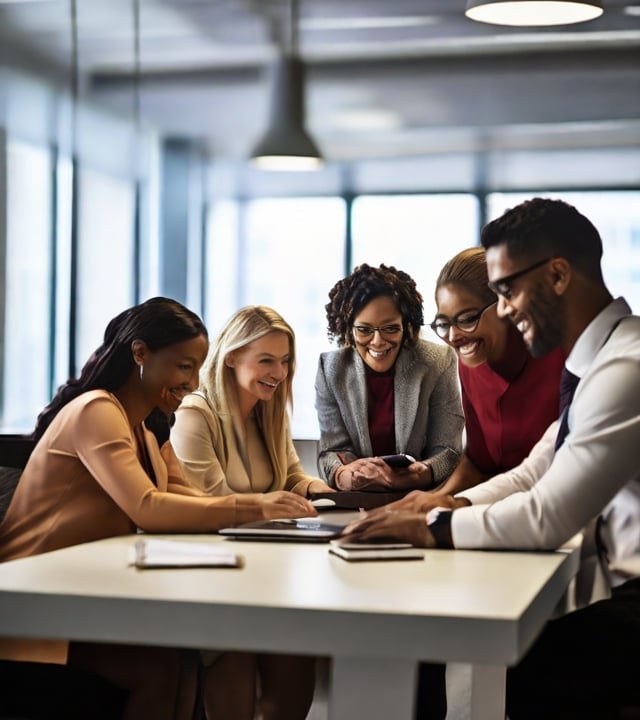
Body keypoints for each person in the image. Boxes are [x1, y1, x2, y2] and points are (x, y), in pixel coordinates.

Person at [341, 198, 640, 719]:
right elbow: (535, 468)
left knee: (501, 662)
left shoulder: (625, 370)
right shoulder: (603, 363)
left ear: (558, 275)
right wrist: (444, 503)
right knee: (441, 652)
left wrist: (430, 527)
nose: (502, 310)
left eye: (506, 290)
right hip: (623, 587)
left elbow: (546, 515)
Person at [0, 297, 317, 720]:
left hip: (81, 597)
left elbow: (197, 501)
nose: (193, 382)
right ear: (140, 355)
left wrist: (258, 509)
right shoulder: (98, 410)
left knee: (179, 659)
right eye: (184, 366)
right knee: (158, 669)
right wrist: (255, 506)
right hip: (31, 608)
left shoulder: (147, 430)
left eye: (198, 368)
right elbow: (148, 508)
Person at [171, 305, 332, 720]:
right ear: (230, 357)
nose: (279, 373)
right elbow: (209, 506)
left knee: (299, 662)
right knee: (236, 657)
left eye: (284, 361)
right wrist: (267, 505)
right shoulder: (195, 414)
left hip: (265, 570)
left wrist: (333, 490)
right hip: (214, 574)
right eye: (266, 360)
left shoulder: (269, 409)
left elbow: (293, 476)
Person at [417, 246, 564, 499]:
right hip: (497, 509)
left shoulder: (561, 357)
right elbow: (479, 462)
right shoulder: (471, 363)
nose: (453, 337)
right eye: (444, 323)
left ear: (506, 306)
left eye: (466, 319)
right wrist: (435, 499)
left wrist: (455, 505)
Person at [315, 263, 464, 493]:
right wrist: (346, 475)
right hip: (357, 500)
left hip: (421, 497)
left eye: (390, 328)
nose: (377, 341)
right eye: (364, 330)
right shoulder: (331, 369)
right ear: (348, 329)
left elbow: (448, 451)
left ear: (406, 326)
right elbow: (330, 452)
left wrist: (417, 474)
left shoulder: (438, 361)